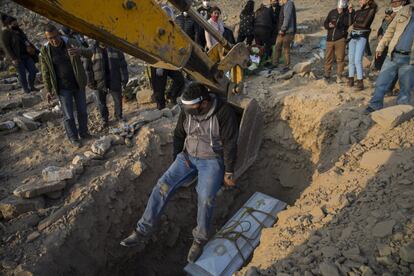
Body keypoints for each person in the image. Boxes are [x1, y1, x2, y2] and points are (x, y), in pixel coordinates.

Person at [120, 82, 238, 264]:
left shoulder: (223, 113)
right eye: (186, 108)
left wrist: (228, 171)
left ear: (204, 103)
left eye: (191, 108)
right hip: (188, 157)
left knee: (206, 197)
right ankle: (142, 231)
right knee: (162, 185)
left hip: (212, 160)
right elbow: (178, 134)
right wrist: (177, 158)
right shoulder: (187, 111)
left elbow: (230, 143)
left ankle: (199, 239)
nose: (187, 111)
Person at [40, 23, 92, 148]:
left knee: (82, 111)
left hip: (78, 83)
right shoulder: (45, 50)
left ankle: (84, 133)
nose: (54, 40)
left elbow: (89, 53)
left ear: (59, 33)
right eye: (50, 38)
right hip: (62, 88)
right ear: (46, 38)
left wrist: (80, 51)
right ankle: (73, 137)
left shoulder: (71, 41)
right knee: (68, 115)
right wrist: (48, 89)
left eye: (55, 36)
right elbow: (45, 71)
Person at [365, 2, 413, 114]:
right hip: (393, 55)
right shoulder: (405, 10)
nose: (393, 3)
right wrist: (380, 46)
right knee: (381, 81)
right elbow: (390, 30)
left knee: (406, 87)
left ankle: (401, 111)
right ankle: (374, 105)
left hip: (410, 59)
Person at [86, 41, 128, 126]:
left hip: (114, 78)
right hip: (99, 81)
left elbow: (122, 65)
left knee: (117, 99)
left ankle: (119, 116)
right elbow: (88, 69)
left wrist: (124, 79)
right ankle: (104, 119)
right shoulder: (91, 50)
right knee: (101, 101)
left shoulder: (116, 49)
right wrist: (90, 82)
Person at [1, 16, 38, 93]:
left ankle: (31, 86)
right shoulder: (5, 33)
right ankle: (26, 89)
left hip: (27, 55)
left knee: (33, 71)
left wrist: (34, 49)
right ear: (9, 24)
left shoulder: (19, 31)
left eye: (16, 22)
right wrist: (13, 58)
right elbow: (7, 47)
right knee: (22, 74)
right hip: (17, 57)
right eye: (14, 23)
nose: (16, 23)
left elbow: (26, 40)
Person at [347, 0, 377, 90]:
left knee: (357, 60)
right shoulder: (358, 11)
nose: (360, 1)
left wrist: (355, 25)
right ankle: (351, 79)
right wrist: (350, 12)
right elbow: (350, 23)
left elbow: (364, 25)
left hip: (362, 37)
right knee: (351, 60)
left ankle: (360, 83)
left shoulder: (372, 10)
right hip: (353, 36)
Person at [323, 0, 352, 83]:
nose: (341, 5)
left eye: (343, 2)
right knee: (328, 58)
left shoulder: (347, 13)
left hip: (340, 39)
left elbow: (349, 23)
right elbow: (325, 23)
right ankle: (327, 75)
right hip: (329, 39)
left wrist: (346, 12)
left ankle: (339, 76)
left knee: (340, 59)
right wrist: (328, 25)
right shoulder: (332, 12)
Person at [374, 0, 406, 70]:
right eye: (393, 2)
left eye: (397, 2)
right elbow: (381, 29)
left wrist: (392, 20)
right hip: (384, 43)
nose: (394, 5)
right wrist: (379, 36)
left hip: (397, 48)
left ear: (403, 2)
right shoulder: (387, 17)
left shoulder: (406, 17)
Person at [272, 0, 297, 69]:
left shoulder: (289, 4)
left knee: (286, 49)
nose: (279, 1)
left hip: (287, 31)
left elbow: (287, 18)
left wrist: (283, 29)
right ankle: (275, 64)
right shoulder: (284, 5)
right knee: (277, 47)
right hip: (281, 31)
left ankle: (287, 66)